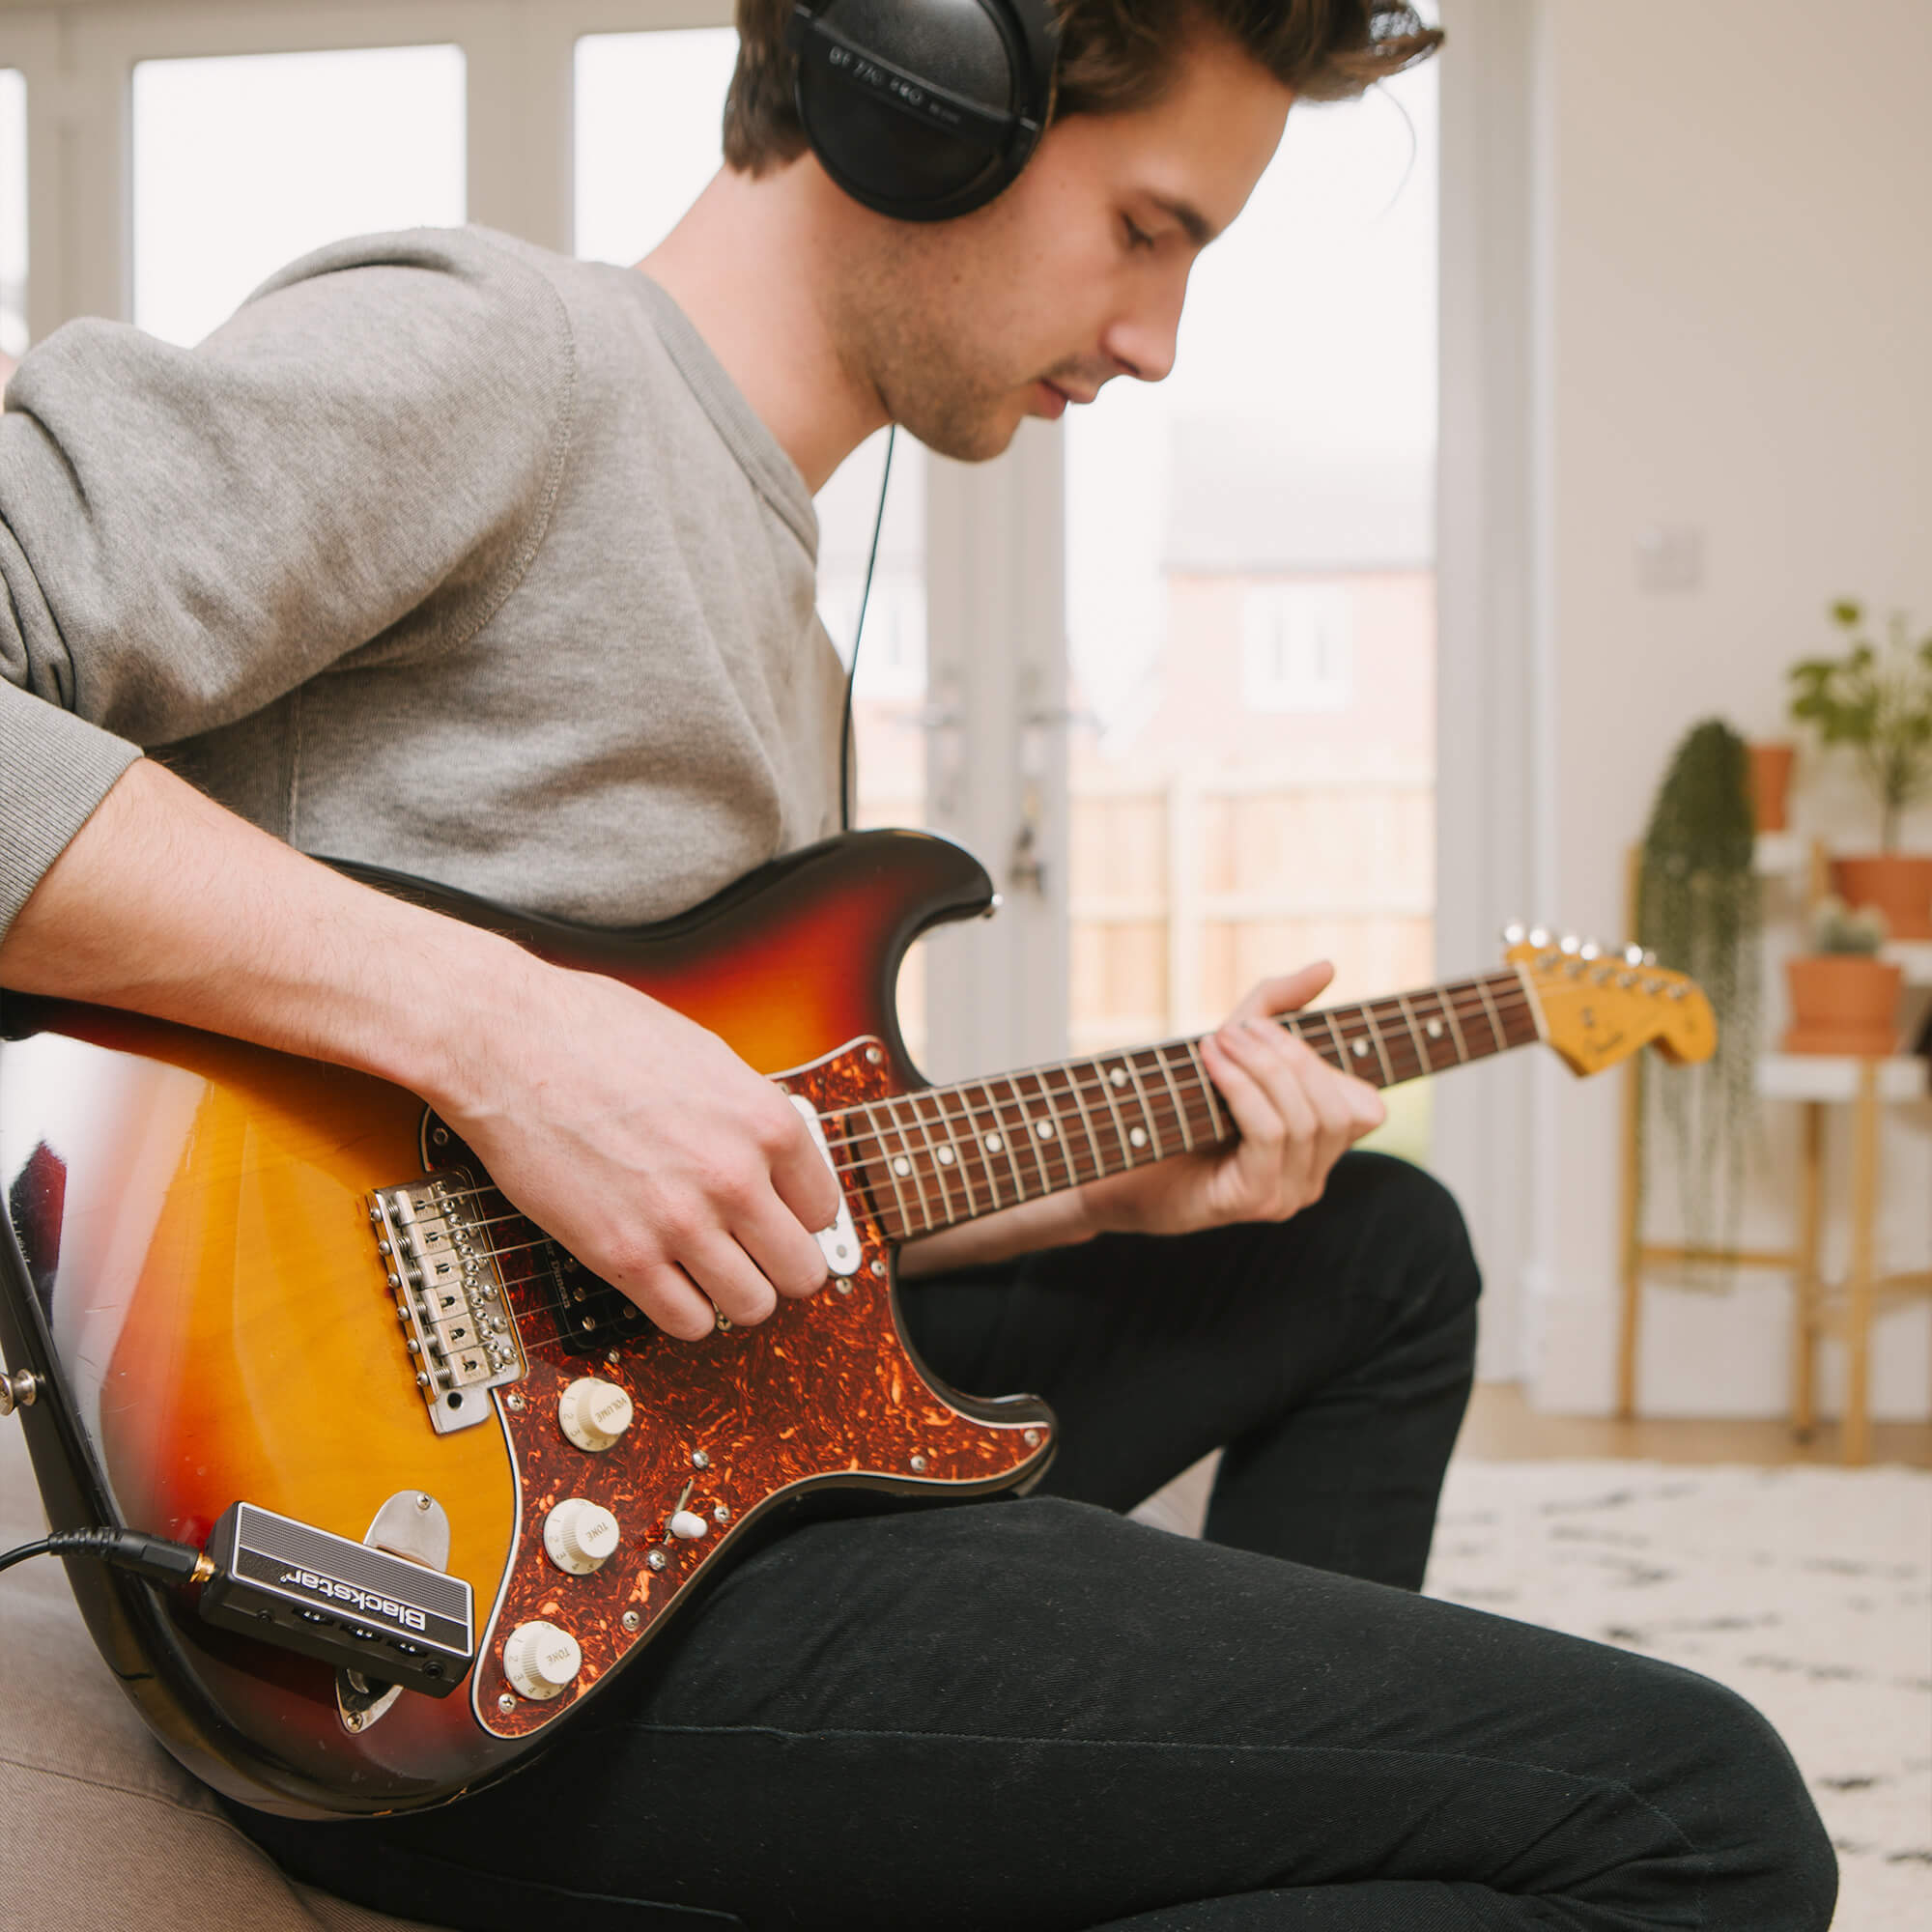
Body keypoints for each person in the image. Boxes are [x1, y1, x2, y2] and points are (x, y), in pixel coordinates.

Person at [0, 3, 1834, 1926]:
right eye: (1148, 228)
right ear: (920, 93)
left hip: (711, 1425)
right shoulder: (498, 356)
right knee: (1702, 1813)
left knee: (1372, 1253)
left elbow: (728, 1159)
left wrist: (1088, 1189)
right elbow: (560, 1082)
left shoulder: (781, 609)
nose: (1155, 341)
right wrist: (501, 1033)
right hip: (459, 1583)